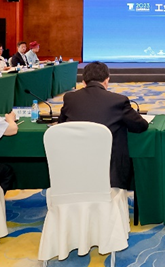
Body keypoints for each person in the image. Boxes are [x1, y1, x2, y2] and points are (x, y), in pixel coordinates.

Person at [58, 61, 149, 190]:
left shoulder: (70, 98)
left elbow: (61, 125)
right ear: (107, 80)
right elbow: (141, 126)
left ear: (83, 82)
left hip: (76, 166)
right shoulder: (118, 100)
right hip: (111, 172)